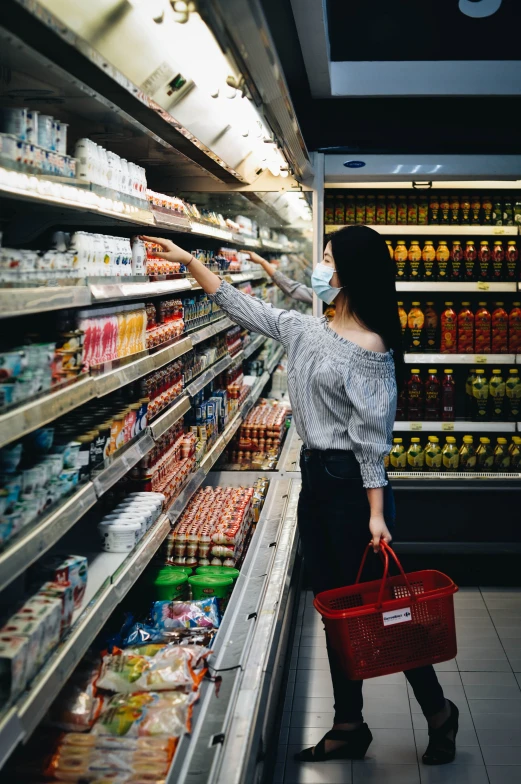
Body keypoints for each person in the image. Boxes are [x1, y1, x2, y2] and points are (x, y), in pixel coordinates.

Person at [140, 227, 459, 766]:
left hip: (352, 490)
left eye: (328, 259)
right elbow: (239, 305)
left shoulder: (372, 350)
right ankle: (348, 724)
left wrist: (377, 514)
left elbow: (371, 441)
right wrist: (186, 263)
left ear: (349, 273)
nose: (319, 266)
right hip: (317, 481)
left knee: (376, 610)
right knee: (335, 608)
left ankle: (438, 710)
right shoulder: (307, 327)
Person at [243, 250, 313, 305]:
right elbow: (293, 288)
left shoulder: (317, 297)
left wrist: (263, 262)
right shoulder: (318, 297)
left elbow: (292, 288)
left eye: (324, 259)